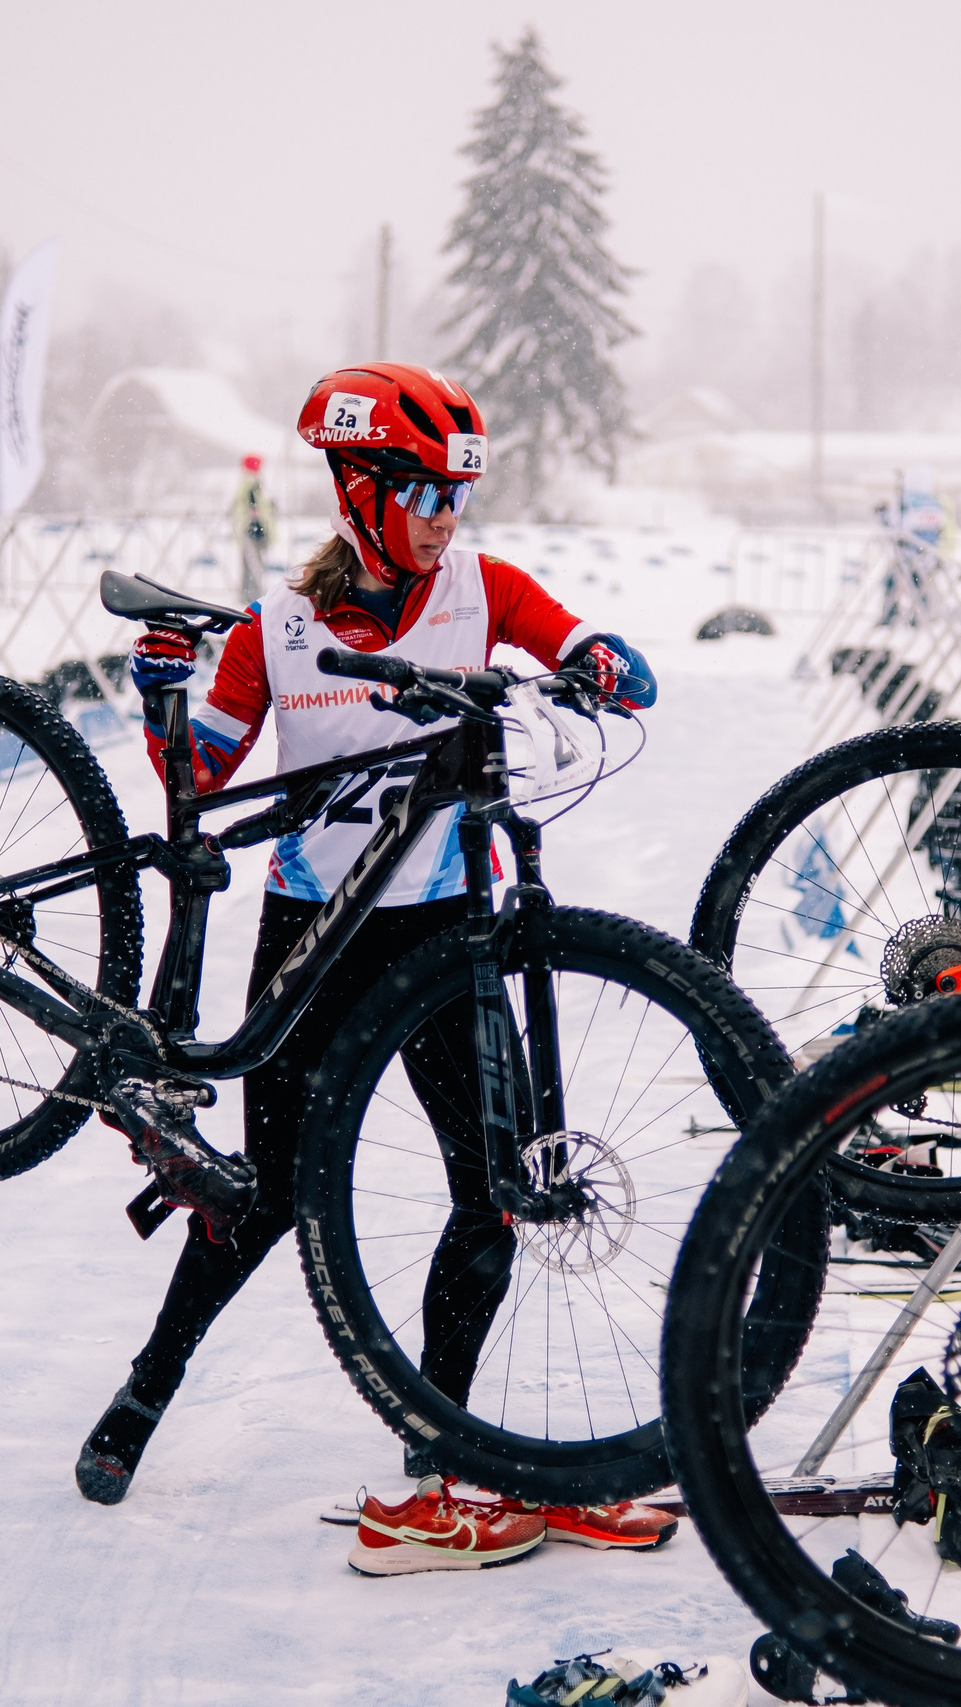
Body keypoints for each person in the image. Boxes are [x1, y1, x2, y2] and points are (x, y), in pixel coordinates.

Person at [78, 362, 674, 1575]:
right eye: (425, 495)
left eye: (458, 495)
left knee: (496, 1189)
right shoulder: (274, 630)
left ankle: (435, 1438)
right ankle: (148, 1385)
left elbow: (574, 640)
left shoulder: (479, 586)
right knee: (269, 1194)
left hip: (446, 932)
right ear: (360, 490)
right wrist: (160, 706)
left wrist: (605, 657)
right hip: (310, 938)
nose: (447, 518)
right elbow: (196, 783)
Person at [228, 453, 278, 604]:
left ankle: (245, 594)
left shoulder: (244, 482)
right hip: (254, 528)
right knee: (255, 563)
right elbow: (256, 506)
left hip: (245, 527)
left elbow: (238, 505)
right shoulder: (253, 483)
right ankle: (255, 596)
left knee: (247, 562)